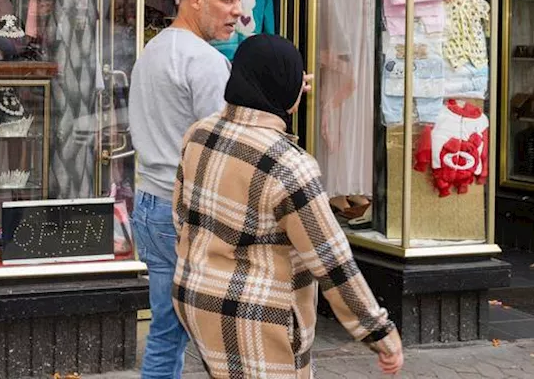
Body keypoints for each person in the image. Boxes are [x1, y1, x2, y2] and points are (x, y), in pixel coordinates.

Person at [172, 34, 403, 378]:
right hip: (260, 317)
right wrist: (379, 333)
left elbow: (182, 216)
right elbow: (332, 261)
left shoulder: (200, 133)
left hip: (198, 299)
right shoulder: (289, 165)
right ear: (287, 89)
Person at [128, 0, 243, 379]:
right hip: (187, 213)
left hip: (149, 205)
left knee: (165, 332)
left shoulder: (155, 49)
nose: (238, 11)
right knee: (226, 337)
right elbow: (225, 150)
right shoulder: (206, 62)